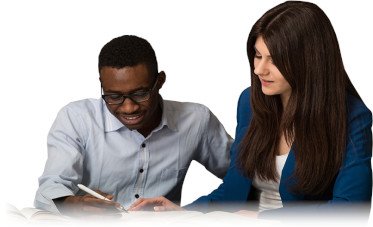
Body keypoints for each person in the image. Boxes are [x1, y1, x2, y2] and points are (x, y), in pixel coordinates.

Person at [128, 1, 372, 220]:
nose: (259, 70)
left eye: (273, 60)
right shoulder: (250, 102)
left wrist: (262, 221)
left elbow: (350, 210)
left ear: (309, 61)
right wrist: (184, 213)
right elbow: (233, 189)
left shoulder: (351, 117)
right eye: (257, 55)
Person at [34, 35, 232, 216]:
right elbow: (50, 186)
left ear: (160, 81)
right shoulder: (76, 119)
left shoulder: (196, 120)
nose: (129, 108)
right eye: (114, 96)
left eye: (140, 94)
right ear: (102, 85)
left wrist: (190, 213)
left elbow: (244, 177)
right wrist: (74, 204)